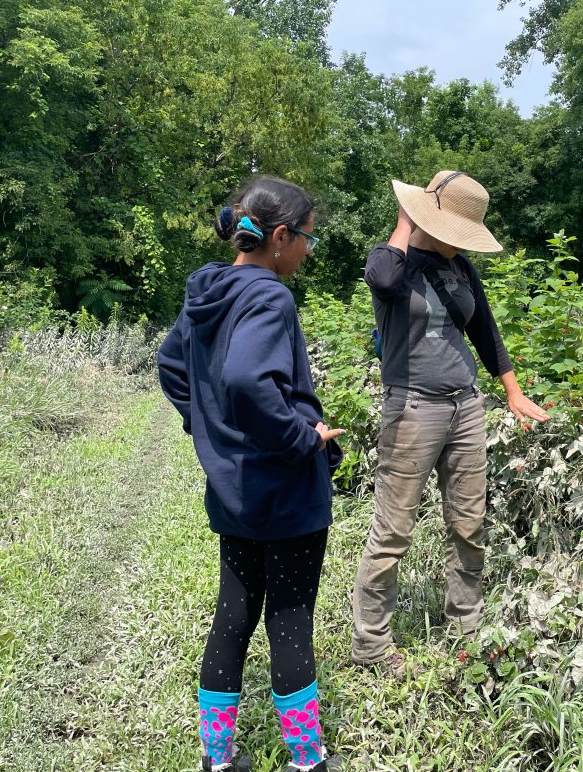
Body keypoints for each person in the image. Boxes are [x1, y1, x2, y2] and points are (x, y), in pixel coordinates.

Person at [157, 175, 344, 772]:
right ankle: (307, 761)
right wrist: (300, 438)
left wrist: (210, 426)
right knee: (290, 619)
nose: (309, 251)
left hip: (232, 489)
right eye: (307, 238)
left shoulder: (206, 292)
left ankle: (218, 759)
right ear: (280, 236)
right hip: (286, 491)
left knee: (233, 616)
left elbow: (171, 366)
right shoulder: (269, 295)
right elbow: (245, 379)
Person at [350, 170, 550, 672]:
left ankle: (467, 625)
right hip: (413, 408)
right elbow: (382, 280)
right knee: (393, 529)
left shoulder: (460, 268)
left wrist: (513, 391)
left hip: (465, 406)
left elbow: (485, 329)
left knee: (469, 522)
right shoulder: (390, 260)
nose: (454, 242)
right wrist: (407, 217)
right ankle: (372, 645)